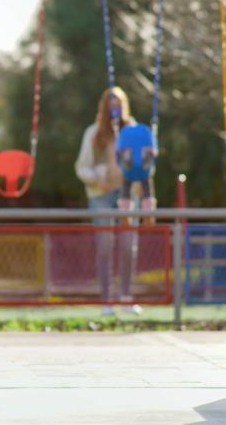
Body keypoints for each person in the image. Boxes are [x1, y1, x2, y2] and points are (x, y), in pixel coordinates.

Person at [75, 86, 141, 315]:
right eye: (110, 104)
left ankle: (125, 296)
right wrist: (95, 180)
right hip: (101, 195)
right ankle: (107, 300)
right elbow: (81, 167)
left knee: (127, 246)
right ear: (104, 107)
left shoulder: (133, 131)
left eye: (118, 103)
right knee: (104, 246)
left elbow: (145, 160)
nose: (114, 108)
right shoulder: (94, 133)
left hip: (126, 194)